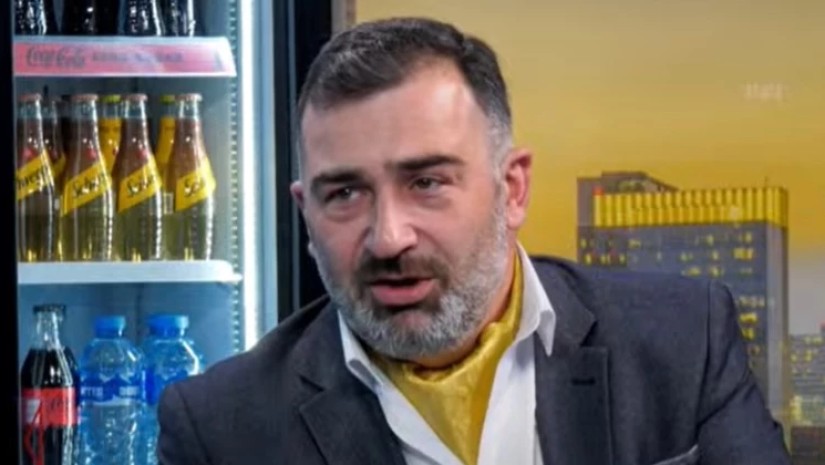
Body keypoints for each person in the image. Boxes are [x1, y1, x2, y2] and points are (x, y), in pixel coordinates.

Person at [157, 17, 791, 465]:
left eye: (427, 182)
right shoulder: (221, 428)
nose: (388, 237)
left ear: (512, 189)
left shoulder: (682, 343)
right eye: (345, 193)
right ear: (305, 212)